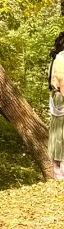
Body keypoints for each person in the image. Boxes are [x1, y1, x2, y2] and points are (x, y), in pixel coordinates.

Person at [49, 34, 64, 182]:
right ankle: (60, 172)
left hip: (57, 97)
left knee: (58, 132)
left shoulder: (57, 58)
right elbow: (62, 81)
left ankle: (58, 172)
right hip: (61, 97)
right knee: (61, 133)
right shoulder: (61, 58)